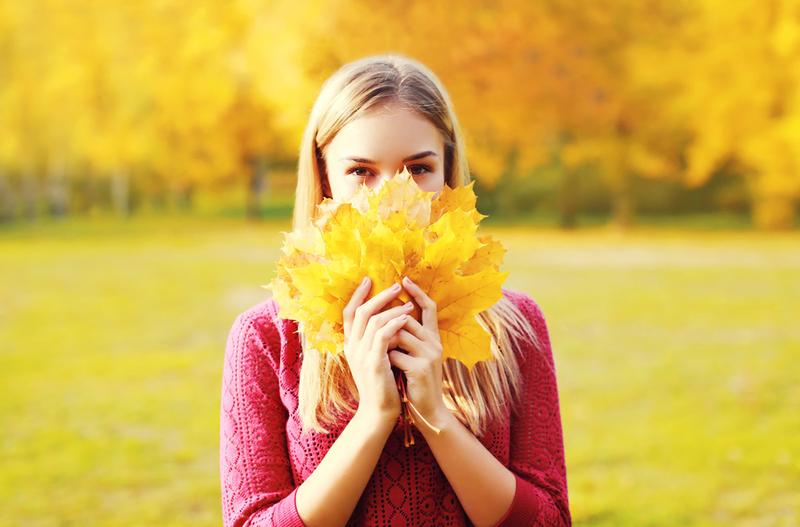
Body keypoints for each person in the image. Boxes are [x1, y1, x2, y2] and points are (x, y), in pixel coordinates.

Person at [219, 54, 571, 527]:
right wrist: (375, 415)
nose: (391, 196)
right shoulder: (267, 337)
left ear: (447, 173)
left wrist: (435, 416)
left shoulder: (514, 325)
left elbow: (549, 519)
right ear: (325, 180)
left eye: (418, 169)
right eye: (362, 172)